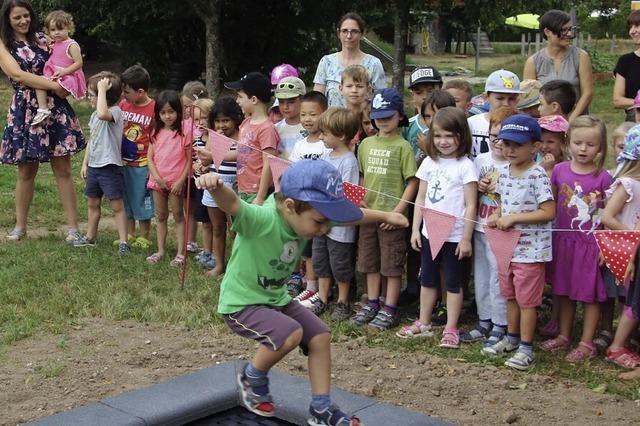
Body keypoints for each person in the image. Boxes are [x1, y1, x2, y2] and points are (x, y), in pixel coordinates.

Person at [194, 158, 407, 425]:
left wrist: (386, 215)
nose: (324, 229)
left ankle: (321, 408)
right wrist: (215, 186)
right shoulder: (262, 219)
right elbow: (234, 204)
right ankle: (252, 377)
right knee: (291, 333)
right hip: (242, 303)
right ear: (290, 206)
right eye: (320, 222)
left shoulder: (306, 217)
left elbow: (353, 216)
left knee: (319, 336)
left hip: (275, 300)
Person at [0, 0, 86, 243]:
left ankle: (73, 229)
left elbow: (68, 58)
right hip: (26, 109)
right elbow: (17, 74)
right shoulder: (3, 44)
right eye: (17, 17)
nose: (23, 21)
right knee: (26, 170)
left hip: (55, 109)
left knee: (63, 168)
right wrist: (55, 87)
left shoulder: (43, 38)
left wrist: (67, 84)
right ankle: (20, 226)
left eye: (26, 15)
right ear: (7, 19)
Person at [397, 107, 477, 348]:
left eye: (449, 136)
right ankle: (423, 321)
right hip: (429, 232)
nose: (443, 142)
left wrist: (465, 239)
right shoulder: (429, 163)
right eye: (438, 136)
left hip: (454, 235)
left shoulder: (465, 166)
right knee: (428, 279)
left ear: (461, 137)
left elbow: (471, 206)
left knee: (453, 282)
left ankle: (451, 326)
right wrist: (415, 229)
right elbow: (420, 198)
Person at [484, 114, 556, 371]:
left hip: (531, 251)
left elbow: (548, 212)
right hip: (508, 248)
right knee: (510, 295)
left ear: (535, 147)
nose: (510, 149)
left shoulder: (537, 175)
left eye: (517, 145)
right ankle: (511, 338)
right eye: (506, 143)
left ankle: (527, 347)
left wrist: (514, 218)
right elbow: (501, 203)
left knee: (527, 301)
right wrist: (497, 215)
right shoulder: (502, 172)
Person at [542, 116, 611, 362]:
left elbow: (610, 215)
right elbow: (549, 202)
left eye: (590, 144)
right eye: (578, 143)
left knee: (588, 294)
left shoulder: (604, 178)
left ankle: (587, 342)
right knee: (563, 290)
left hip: (590, 246)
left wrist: (607, 246)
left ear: (601, 147)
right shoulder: (559, 171)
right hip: (563, 242)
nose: (583, 149)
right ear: (568, 143)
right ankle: (564, 335)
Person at [351, 88, 418, 330]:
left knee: (391, 264)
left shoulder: (403, 147)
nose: (382, 121)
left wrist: (398, 211)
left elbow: (412, 181)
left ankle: (390, 306)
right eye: (378, 116)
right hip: (368, 213)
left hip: (392, 216)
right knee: (369, 260)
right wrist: (359, 198)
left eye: (388, 116)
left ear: (400, 116)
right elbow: (361, 175)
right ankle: (372, 301)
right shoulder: (366, 144)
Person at [459, 106, 516, 346]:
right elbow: (467, 194)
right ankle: (484, 320)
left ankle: (501, 324)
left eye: (504, 139)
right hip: (480, 227)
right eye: (493, 138)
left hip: (504, 232)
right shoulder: (480, 160)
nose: (498, 144)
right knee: (481, 275)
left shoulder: (517, 164)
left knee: (498, 278)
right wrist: (478, 187)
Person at [304, 107, 360, 320]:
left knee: (340, 264)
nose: (321, 137)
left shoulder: (349, 161)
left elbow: (348, 195)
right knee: (321, 261)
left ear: (342, 135)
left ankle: (343, 301)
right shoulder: (325, 156)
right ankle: (323, 297)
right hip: (320, 221)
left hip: (339, 225)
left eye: (325, 133)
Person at [601, 124, 640, 375]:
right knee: (634, 300)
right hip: (629, 248)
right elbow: (607, 215)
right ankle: (616, 346)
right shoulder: (629, 183)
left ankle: (623, 343)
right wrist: (633, 234)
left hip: (635, 248)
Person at [74, 72, 128, 254]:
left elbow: (103, 112)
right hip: (94, 167)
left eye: (92, 94)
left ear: (103, 96)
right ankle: (90, 237)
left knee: (117, 206)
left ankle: (123, 242)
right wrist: (85, 163)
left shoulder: (115, 112)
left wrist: (102, 90)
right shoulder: (94, 116)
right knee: (92, 203)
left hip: (110, 167)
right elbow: (92, 140)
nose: (89, 98)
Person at [286, 91, 330, 300]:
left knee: (319, 250)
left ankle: (321, 288)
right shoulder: (299, 145)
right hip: (302, 206)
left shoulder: (326, 144)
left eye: (313, 114)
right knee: (306, 248)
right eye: (303, 115)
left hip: (320, 206)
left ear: (325, 114)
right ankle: (310, 285)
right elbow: (292, 171)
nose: (307, 119)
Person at [145, 91, 190, 267]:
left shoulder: (184, 132)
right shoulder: (155, 131)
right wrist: (156, 177)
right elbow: (150, 157)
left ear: (178, 111)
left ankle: (181, 252)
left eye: (171, 111)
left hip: (176, 182)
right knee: (161, 215)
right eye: (163, 112)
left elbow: (189, 160)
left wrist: (180, 181)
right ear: (158, 114)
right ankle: (161, 250)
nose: (167, 116)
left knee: (179, 215)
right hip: (158, 181)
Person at [198, 96, 242, 277]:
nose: (222, 125)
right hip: (213, 182)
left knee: (237, 228)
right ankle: (219, 264)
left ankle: (237, 264)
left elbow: (245, 157)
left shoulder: (241, 136)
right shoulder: (214, 136)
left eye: (226, 120)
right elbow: (207, 157)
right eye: (217, 121)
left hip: (234, 185)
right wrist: (215, 139)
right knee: (217, 227)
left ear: (235, 119)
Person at [524, 9, 592, 121]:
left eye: (570, 29)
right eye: (564, 30)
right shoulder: (533, 62)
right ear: (547, 32)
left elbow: (587, 93)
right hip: (545, 123)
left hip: (576, 122)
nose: (569, 34)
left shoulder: (581, 56)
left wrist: (570, 120)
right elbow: (530, 99)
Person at [224, 72, 279, 205]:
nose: (237, 101)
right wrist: (212, 155)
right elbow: (241, 152)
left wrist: (260, 197)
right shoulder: (246, 123)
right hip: (243, 189)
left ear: (254, 100)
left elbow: (268, 164)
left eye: (240, 96)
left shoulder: (266, 129)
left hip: (256, 193)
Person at [313, 12, 386, 107]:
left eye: (354, 31)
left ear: (362, 33)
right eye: (344, 31)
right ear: (338, 33)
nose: (349, 36)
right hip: (332, 121)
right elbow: (317, 100)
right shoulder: (326, 62)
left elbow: (380, 99)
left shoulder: (374, 64)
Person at [119, 64, 155, 247]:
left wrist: (152, 165)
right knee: (126, 199)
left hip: (142, 164)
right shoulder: (123, 105)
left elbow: (157, 139)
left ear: (140, 92)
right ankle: (130, 233)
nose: (124, 95)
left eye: (127, 91)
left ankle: (145, 236)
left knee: (141, 198)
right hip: (124, 162)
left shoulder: (154, 109)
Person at [32, 10, 85, 126]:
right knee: (39, 83)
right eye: (53, 30)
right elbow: (42, 36)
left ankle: (46, 108)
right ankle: (43, 109)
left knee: (55, 91)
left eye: (60, 29)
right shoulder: (54, 43)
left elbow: (79, 63)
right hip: (55, 73)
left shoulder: (71, 45)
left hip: (68, 75)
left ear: (69, 28)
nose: (56, 33)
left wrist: (64, 72)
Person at [468, 69, 524, 158]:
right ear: (485, 97)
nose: (506, 103)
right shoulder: (471, 123)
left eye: (512, 99)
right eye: (500, 98)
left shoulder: (522, 125)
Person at [189, 97, 216, 270]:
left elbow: (217, 159)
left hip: (214, 185)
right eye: (196, 119)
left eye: (203, 118)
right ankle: (207, 250)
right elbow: (191, 158)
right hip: (199, 184)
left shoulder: (216, 137)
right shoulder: (196, 138)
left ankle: (216, 252)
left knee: (217, 222)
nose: (200, 123)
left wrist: (206, 165)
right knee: (205, 222)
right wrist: (193, 165)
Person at [403, 65, 443, 162]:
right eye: (419, 92)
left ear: (441, 89)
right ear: (412, 94)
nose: (425, 96)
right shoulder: (407, 125)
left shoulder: (451, 121)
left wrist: (428, 149)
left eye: (430, 91)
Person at [613, 10, 640, 121]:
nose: (632, 31)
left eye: (637, 26)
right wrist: (638, 102)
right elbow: (617, 100)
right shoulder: (625, 61)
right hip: (635, 123)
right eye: (630, 27)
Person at [274, 76, 306, 160]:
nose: (285, 107)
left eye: (291, 102)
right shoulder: (275, 128)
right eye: (281, 102)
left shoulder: (310, 126)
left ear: (302, 100)